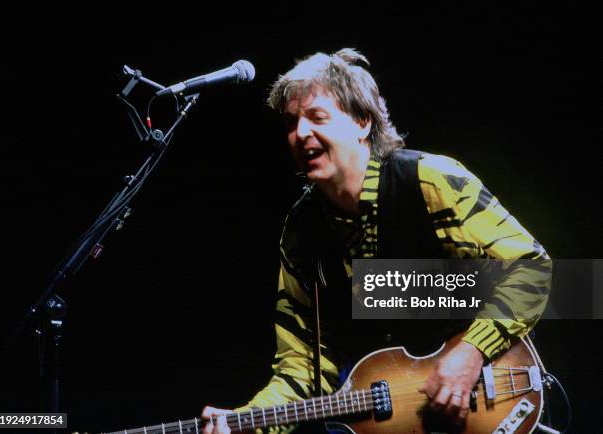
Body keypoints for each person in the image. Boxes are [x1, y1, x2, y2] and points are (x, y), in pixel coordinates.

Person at [201, 48, 551, 434]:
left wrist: (469, 354)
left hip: (494, 405)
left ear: (362, 122)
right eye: (290, 122)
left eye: (317, 117)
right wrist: (246, 421)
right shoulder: (301, 233)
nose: (300, 134)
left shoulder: (429, 180)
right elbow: (303, 367)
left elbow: (534, 268)